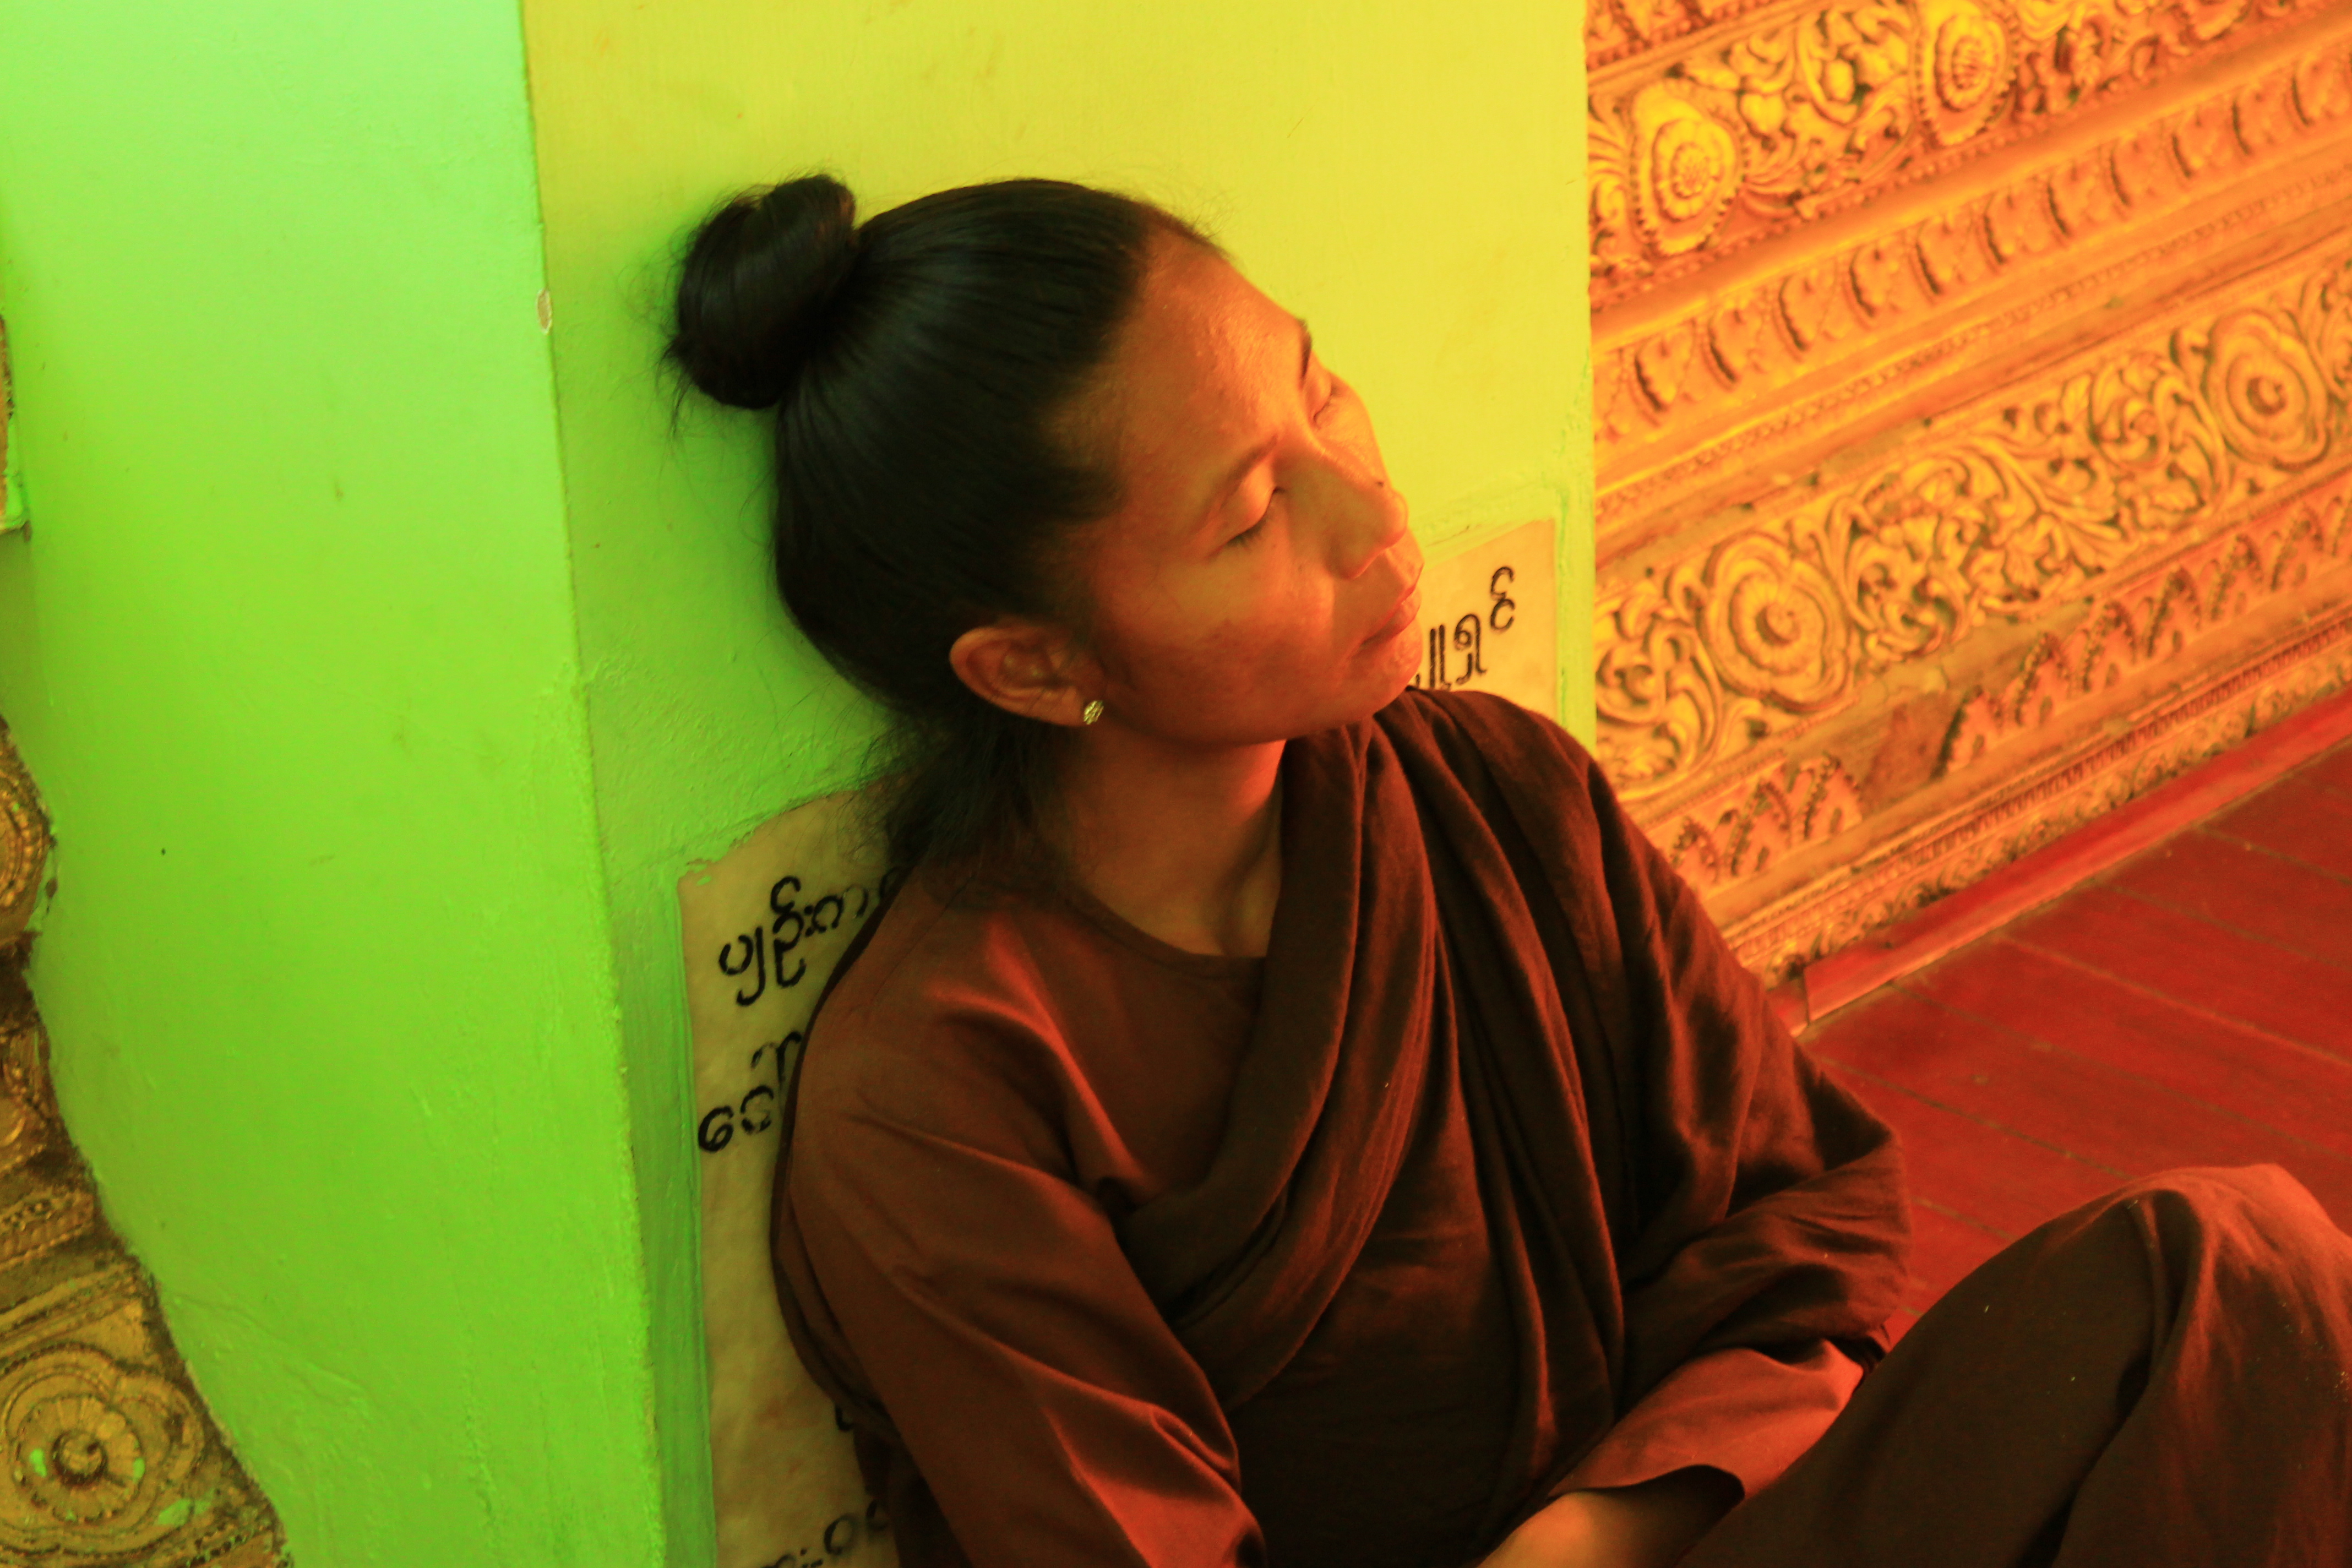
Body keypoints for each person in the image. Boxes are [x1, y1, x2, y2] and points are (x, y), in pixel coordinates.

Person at [667, 176, 2352, 1568]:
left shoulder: (1489, 792)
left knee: (2219, 1282)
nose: (1372, 515)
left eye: (1320, 389)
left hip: (1671, 1530)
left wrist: (1601, 1531)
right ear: (1037, 667)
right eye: (1248, 519)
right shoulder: (941, 1090)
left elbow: (1793, 1225)